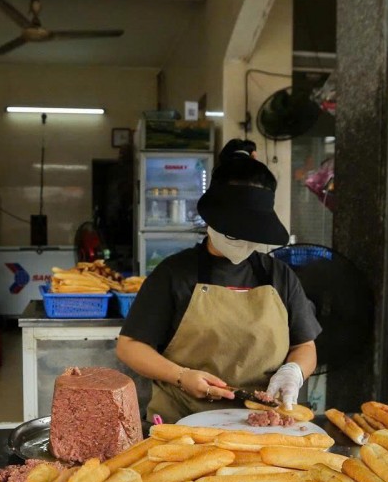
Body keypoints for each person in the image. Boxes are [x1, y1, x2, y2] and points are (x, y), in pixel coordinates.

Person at [116, 139, 320, 424]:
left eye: (252, 235)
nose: (244, 242)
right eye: (236, 233)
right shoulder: (175, 273)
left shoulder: (278, 275)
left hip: (263, 424)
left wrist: (294, 371)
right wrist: (181, 376)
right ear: (211, 221)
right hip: (183, 424)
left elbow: (305, 345)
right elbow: (129, 346)